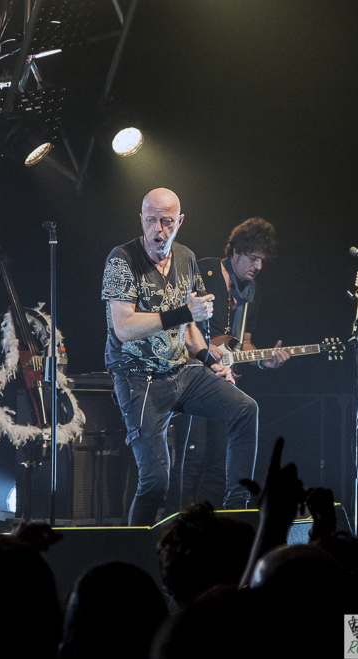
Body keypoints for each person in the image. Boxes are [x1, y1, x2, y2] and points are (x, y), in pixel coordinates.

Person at [102, 188, 259, 524]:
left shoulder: (186, 257)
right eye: (151, 220)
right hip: (137, 376)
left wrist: (211, 361)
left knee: (245, 409)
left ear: (180, 221)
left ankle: (236, 512)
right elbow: (123, 327)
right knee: (157, 482)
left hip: (182, 373)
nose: (158, 229)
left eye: (166, 221)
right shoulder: (121, 258)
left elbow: (189, 330)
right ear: (141, 219)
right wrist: (183, 312)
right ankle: (138, 552)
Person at [177, 217, 289, 508]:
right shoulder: (205, 269)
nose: (258, 266)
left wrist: (266, 361)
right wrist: (204, 352)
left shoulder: (252, 294)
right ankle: (177, 522)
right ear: (236, 251)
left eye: (263, 260)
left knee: (220, 455)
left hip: (222, 377)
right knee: (193, 454)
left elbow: (243, 343)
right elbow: (182, 321)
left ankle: (215, 523)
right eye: (253, 258)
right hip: (192, 373)